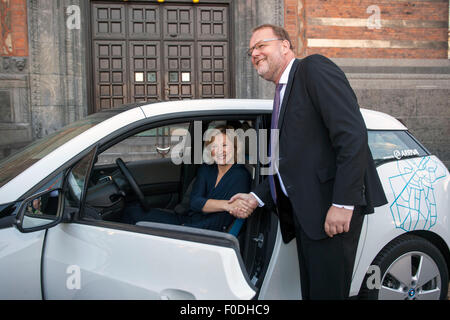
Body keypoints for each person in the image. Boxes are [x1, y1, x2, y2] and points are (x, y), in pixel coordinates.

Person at [228, 24, 388, 299]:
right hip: (307, 217)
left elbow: (352, 135)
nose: (254, 53)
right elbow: (287, 163)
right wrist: (256, 196)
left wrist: (342, 203)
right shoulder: (281, 93)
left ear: (285, 45)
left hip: (331, 213)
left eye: (260, 45)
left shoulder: (313, 69)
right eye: (250, 50)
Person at [123, 125, 252, 232]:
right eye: (214, 146)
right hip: (187, 220)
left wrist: (189, 230)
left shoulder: (240, 176)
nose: (219, 151)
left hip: (203, 232)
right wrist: (226, 205)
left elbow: (222, 220)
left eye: (224, 145)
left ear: (234, 147)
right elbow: (195, 202)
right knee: (132, 212)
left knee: (137, 222)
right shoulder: (207, 169)